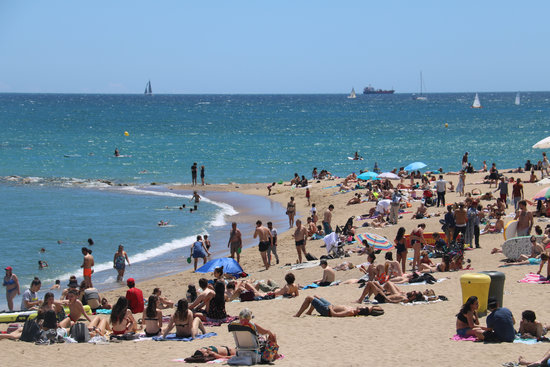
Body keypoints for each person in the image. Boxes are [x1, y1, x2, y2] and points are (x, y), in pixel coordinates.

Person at [293, 295, 383, 318]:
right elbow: (377, 308)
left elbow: (334, 315)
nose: (361, 306)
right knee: (316, 296)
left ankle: (298, 314)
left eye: (362, 307)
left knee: (309, 298)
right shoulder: (354, 310)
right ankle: (309, 312)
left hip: (327, 310)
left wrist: (331, 308)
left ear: (360, 311)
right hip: (330, 306)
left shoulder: (350, 312)